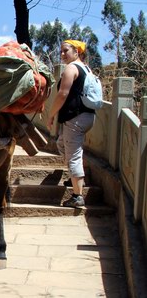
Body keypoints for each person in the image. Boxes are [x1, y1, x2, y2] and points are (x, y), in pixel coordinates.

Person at [47, 40, 96, 208]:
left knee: (73, 155)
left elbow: (62, 94)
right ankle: (77, 179)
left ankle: (77, 196)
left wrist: (51, 114)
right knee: (62, 143)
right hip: (87, 117)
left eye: (65, 50)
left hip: (75, 118)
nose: (62, 54)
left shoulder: (71, 68)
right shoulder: (86, 69)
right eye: (61, 50)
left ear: (76, 52)